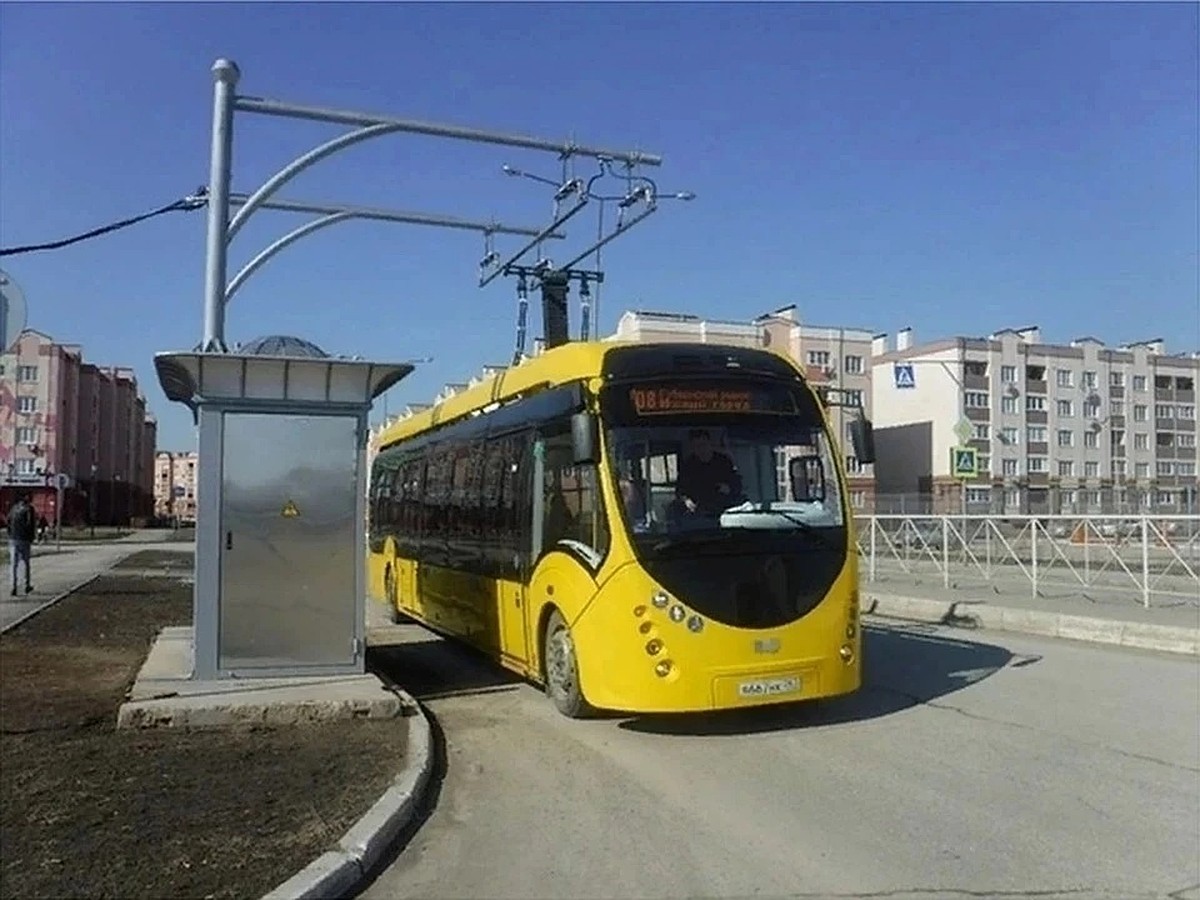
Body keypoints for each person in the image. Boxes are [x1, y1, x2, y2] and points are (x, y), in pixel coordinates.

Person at [675, 429, 742, 516]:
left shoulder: (723, 462)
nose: (701, 449)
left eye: (703, 444)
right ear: (693, 448)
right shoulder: (688, 466)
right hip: (698, 513)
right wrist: (686, 501)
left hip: (724, 511)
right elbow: (680, 490)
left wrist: (728, 488)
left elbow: (737, 484)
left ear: (710, 444)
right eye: (696, 446)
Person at [7, 493, 36, 596]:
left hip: (13, 539)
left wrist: (10, 534)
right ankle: (26, 585)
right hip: (24, 539)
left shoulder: (14, 508)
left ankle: (13, 586)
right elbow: (31, 524)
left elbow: (8, 521)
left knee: (13, 564)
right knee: (26, 563)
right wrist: (32, 537)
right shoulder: (29, 509)